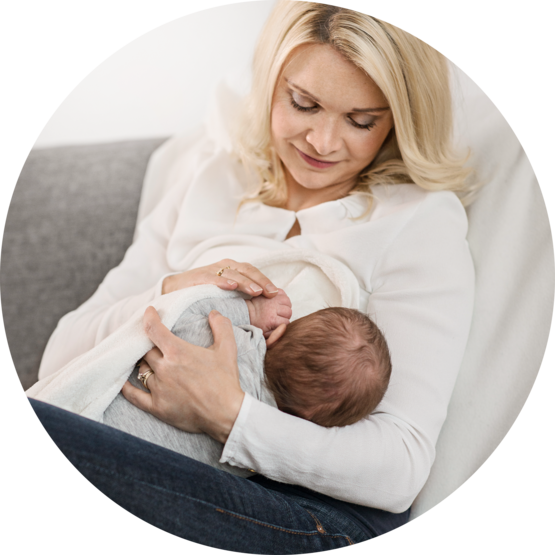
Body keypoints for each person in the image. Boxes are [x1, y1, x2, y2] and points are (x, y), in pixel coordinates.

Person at [28, 1, 476, 550]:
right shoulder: (213, 176)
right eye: (304, 104)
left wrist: (227, 414)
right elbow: (61, 357)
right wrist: (174, 289)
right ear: (270, 83)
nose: (323, 142)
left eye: (362, 121)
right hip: (143, 450)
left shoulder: (417, 220)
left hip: (307, 511)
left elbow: (400, 464)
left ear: (397, 121)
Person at [102, 289, 392, 477]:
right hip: (138, 476)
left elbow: (181, 310)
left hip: (99, 420)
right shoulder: (253, 454)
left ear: (277, 334)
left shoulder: (229, 338)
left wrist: (250, 312)